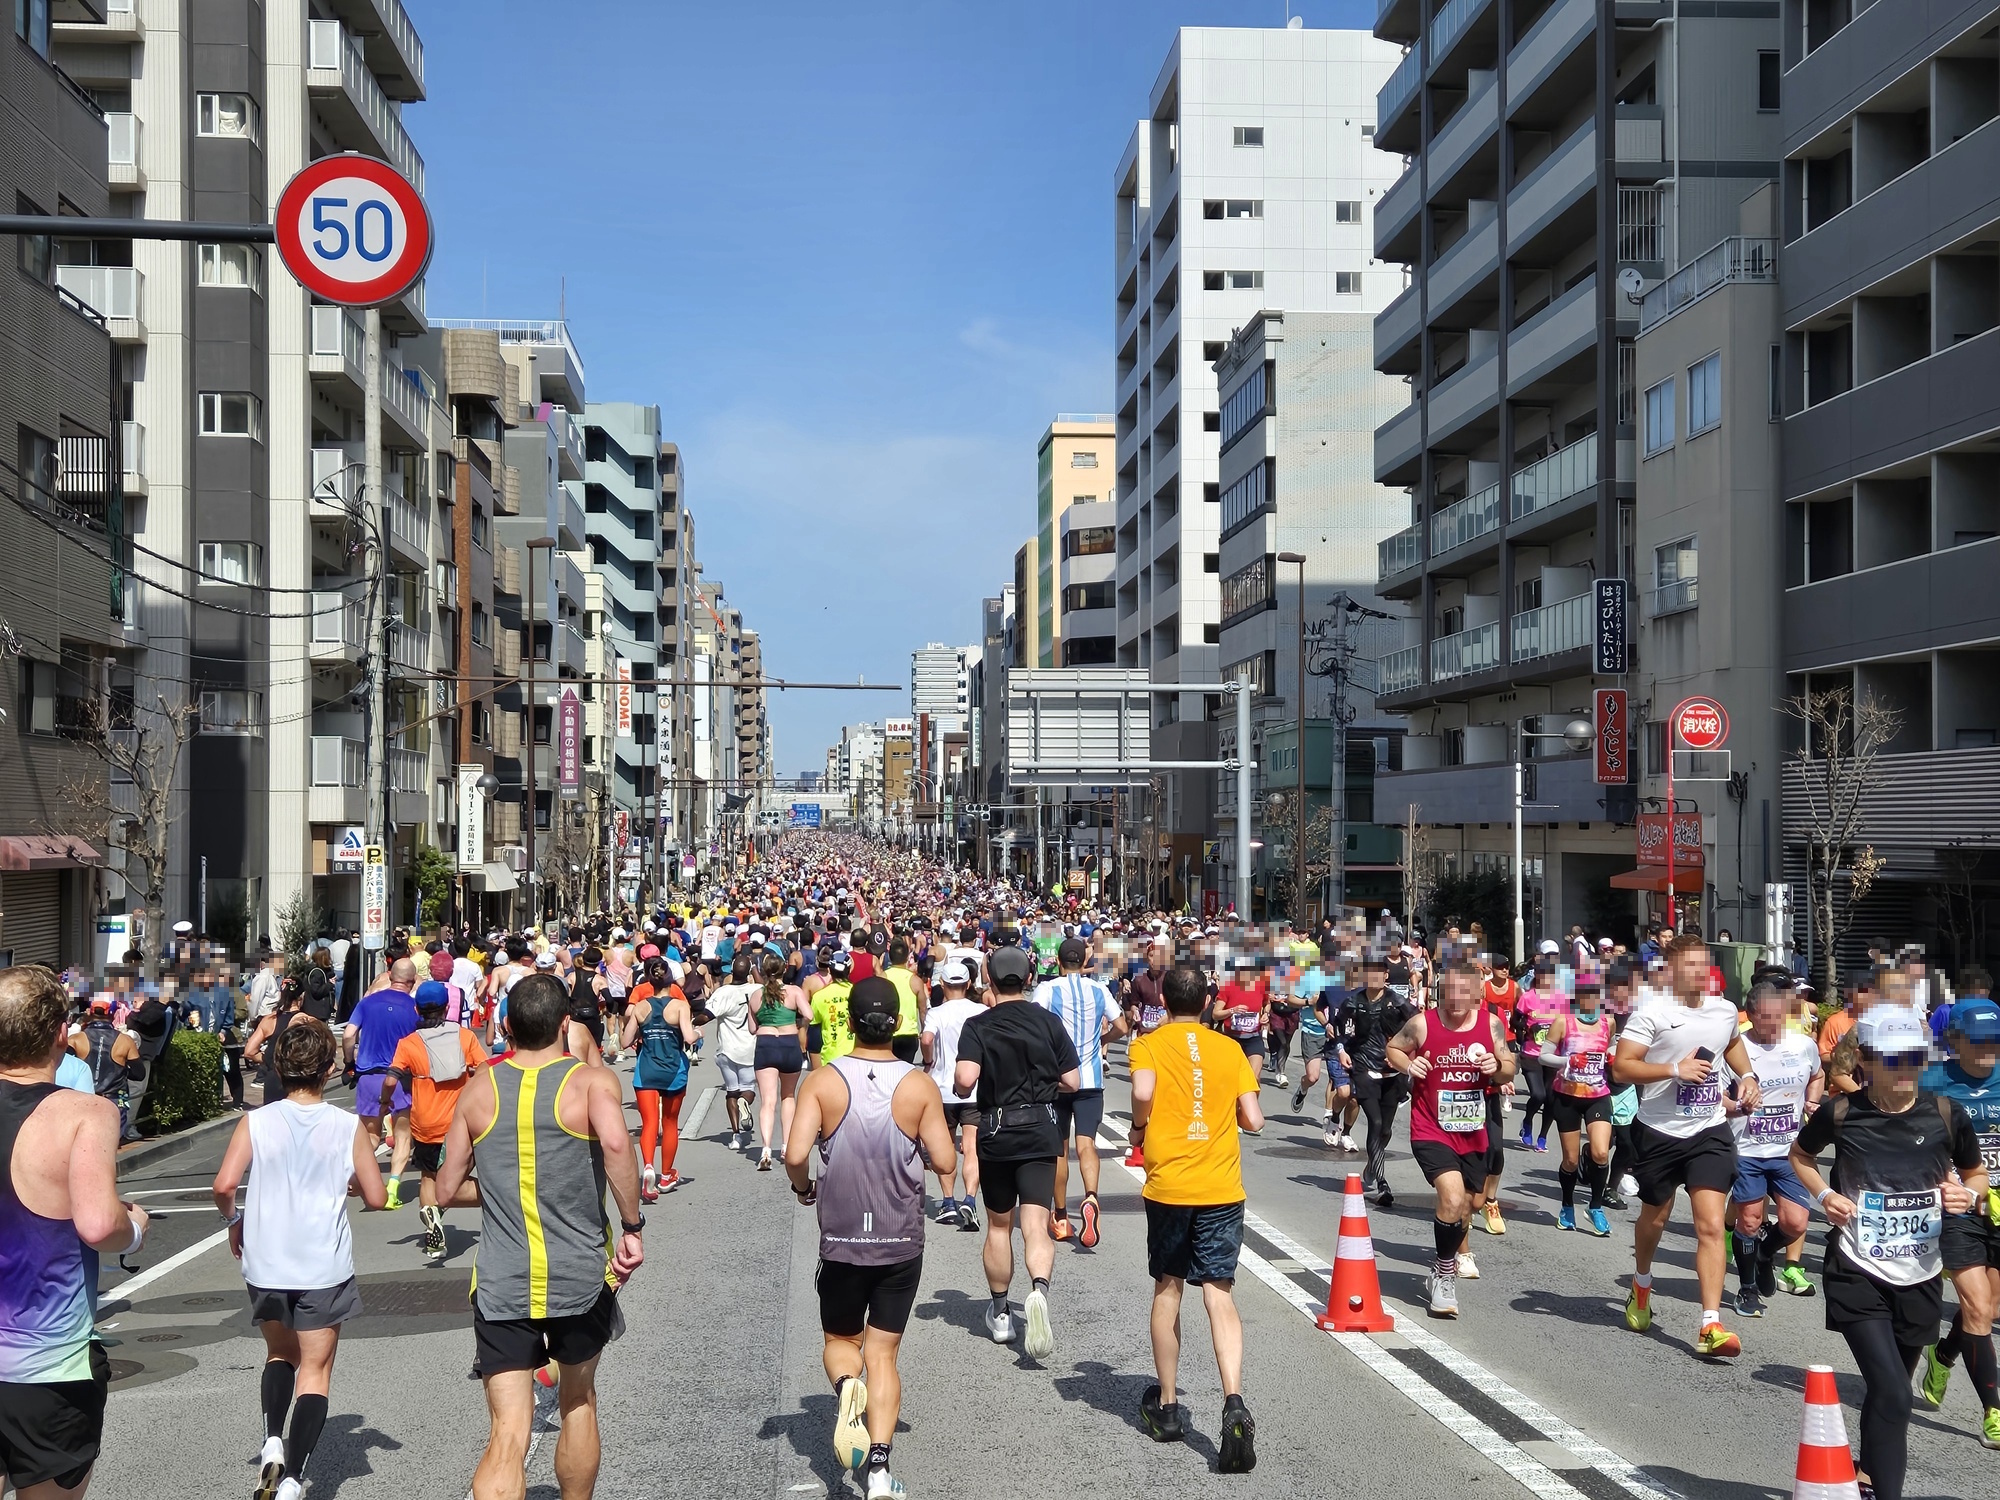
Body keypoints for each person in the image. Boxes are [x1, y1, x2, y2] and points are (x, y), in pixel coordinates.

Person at [436, 973, 646, 1500]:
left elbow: (444, 1188)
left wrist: (504, 1189)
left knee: (507, 1431)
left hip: (502, 1281)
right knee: (577, 1400)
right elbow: (619, 1148)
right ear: (566, 1024)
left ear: (505, 1027)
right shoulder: (592, 1082)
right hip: (578, 1275)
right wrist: (631, 1226)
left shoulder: (479, 1087)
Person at [1791, 1008, 1988, 1500]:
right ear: (1867, 1062)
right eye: (1893, 1060)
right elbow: (1800, 1156)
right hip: (1857, 1268)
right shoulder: (1840, 1113)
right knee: (1897, 1393)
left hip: (1921, 1272)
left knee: (1890, 1394)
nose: (1905, 1071)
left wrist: (1968, 1194)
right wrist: (1823, 1197)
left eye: (1914, 1059)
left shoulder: (1945, 1113)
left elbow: (1976, 1173)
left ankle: (1868, 1479)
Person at [786, 979, 956, 1499]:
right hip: (899, 1238)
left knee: (841, 1342)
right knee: (884, 1353)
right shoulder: (918, 1085)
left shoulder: (823, 1082)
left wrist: (804, 1187)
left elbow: (795, 1155)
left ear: (850, 1022)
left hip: (841, 1238)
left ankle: (846, 1387)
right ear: (898, 1025)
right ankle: (879, 1473)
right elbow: (947, 1161)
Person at [211, 1014, 384, 1500]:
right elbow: (375, 1196)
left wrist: (234, 1221)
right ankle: (292, 1479)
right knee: (316, 1370)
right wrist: (348, 1181)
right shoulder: (345, 1125)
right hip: (322, 1266)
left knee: (279, 1353)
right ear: (328, 1069)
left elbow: (224, 1186)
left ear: (279, 1068)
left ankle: (271, 1442)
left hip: (266, 1261)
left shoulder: (257, 1121)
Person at [0, 967, 150, 1500]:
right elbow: (97, 1223)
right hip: (47, 1365)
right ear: (62, 1034)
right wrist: (133, 1228)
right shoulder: (85, 1112)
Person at [1128, 964, 1265, 1470]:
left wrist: (1140, 1129)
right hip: (1221, 1186)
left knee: (1168, 1287)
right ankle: (1233, 1402)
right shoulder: (1229, 1049)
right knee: (1219, 1293)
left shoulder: (1149, 1043)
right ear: (1207, 1000)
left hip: (1170, 1187)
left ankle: (1167, 1407)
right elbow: (1253, 1120)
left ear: (1163, 1000)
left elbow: (1141, 1093)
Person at [1614, 933, 1762, 1359]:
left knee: (1712, 1226)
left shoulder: (1722, 1010)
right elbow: (1622, 1068)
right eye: (1692, 966)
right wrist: (1672, 1069)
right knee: (1655, 1220)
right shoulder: (1653, 1012)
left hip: (1708, 1130)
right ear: (1672, 970)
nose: (1701, 973)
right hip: (1659, 1131)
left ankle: (1710, 1324)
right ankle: (1641, 1283)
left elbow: (1731, 1043)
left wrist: (1747, 1077)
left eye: (1706, 965)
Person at [954, 944, 1080, 1361]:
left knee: (997, 1226)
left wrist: (966, 1086)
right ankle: (1039, 1289)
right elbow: (1073, 1081)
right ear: (1028, 979)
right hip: (1041, 1130)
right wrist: (1044, 1087)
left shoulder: (978, 1025)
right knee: (1036, 1223)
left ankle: (1001, 1310)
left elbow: (964, 1079)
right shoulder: (1047, 1022)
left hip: (997, 1131)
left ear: (988, 979)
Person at [1386, 958, 1514, 1318]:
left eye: (1464, 991)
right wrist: (1408, 1065)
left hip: (1473, 1130)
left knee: (1470, 1205)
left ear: (1476, 993)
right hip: (1431, 1127)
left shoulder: (1489, 1025)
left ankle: (1441, 1265)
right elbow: (1394, 1048)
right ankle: (1445, 1275)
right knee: (1452, 1196)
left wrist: (1497, 1068)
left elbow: (1509, 1064)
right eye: (1450, 991)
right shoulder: (1421, 1025)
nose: (1456, 998)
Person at [1916, 994, 2000, 1448]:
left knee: (1990, 1309)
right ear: (1955, 1040)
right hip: (1957, 1207)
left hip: (1999, 1206)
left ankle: (1944, 1353)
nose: (1989, 1048)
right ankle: (1994, 1414)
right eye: (1980, 1040)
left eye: (1997, 1040)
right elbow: (1913, 1140)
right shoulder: (1932, 1082)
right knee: (1975, 1307)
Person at [1723, 981, 1824, 1317]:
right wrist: (1736, 1107)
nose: (1774, 1024)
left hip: (1789, 1152)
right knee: (1749, 1221)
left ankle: (1765, 1253)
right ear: (1750, 1016)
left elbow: (1818, 1074)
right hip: (1748, 1150)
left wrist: (1812, 1100)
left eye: (1779, 1017)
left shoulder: (1802, 1045)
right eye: (1766, 1017)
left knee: (1795, 1223)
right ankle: (1747, 1288)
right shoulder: (1735, 1050)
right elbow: (1713, 1097)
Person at [382, 981, 489, 1263]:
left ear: (417, 1009)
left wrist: (384, 1102)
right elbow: (484, 1069)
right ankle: (494, 1197)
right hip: (461, 1123)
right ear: (447, 1007)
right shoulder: (464, 1037)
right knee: (463, 1174)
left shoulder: (408, 1044)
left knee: (428, 1176)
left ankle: (433, 1219)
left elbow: (391, 1079)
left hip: (426, 1123)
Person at [1035, 937, 1127, 1248]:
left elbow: (1034, 1025)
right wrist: (1105, 1037)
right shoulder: (1099, 990)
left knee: (1059, 1149)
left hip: (1058, 1080)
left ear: (1058, 962)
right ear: (1083, 962)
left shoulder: (1049, 989)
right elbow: (1123, 1026)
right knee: (1087, 1144)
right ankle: (1091, 1196)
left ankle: (1061, 1217)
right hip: (1091, 1079)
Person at [1331, 954, 1416, 1207]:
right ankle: (1382, 1183)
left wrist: (1404, 1055)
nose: (1375, 977)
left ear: (1386, 976)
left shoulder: (1398, 1002)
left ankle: (1372, 1165)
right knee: (1375, 1123)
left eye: (1379, 972)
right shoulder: (1353, 1003)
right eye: (1369, 973)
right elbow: (1340, 1032)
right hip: (1364, 1068)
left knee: (1386, 1129)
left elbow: (1418, 1027)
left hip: (1391, 1072)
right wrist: (1342, 1051)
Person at [1543, 971, 1617, 1236]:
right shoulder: (1564, 1021)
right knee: (1571, 1161)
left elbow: (1610, 1048)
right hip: (1567, 1095)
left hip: (1598, 1094)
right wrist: (1568, 1061)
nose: (1592, 999)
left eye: (1596, 994)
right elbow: (1544, 1056)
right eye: (1586, 994)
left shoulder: (1608, 1021)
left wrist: (1611, 1057)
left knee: (1600, 1152)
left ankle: (1595, 1207)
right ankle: (1567, 1205)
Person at [345, 957, 422, 1208]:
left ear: (390, 976)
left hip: (368, 1076)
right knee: (402, 1135)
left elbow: (348, 1034)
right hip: (400, 1078)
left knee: (370, 1135)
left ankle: (361, 1180)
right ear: (411, 982)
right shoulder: (413, 1008)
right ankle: (393, 1187)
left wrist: (349, 1062)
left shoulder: (367, 1003)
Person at [622, 960, 696, 1199]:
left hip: (646, 1070)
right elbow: (689, 1037)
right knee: (670, 1122)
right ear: (670, 979)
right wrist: (698, 1033)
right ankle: (666, 1175)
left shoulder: (641, 1007)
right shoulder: (679, 1006)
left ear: (649, 980)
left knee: (649, 1122)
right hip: (673, 1071)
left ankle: (648, 1166)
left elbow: (624, 1041)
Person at [920, 959, 985, 1229]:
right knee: (971, 1147)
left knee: (944, 1147)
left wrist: (928, 1060)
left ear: (943, 985)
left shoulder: (937, 1012)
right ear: (969, 984)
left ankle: (947, 1202)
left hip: (942, 1089)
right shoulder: (981, 1010)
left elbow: (926, 1039)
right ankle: (969, 1199)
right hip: (974, 1088)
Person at [747, 951, 808, 1171]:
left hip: (765, 1045)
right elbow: (808, 1014)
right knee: (788, 1096)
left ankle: (765, 1148)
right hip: (789, 1043)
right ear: (784, 970)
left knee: (767, 1101)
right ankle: (785, 1146)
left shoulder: (756, 995)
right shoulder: (793, 991)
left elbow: (752, 1028)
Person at [702, 955, 761, 1150]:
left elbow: (706, 1016)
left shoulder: (723, 992)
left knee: (731, 1092)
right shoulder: (756, 990)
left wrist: (688, 1024)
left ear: (732, 971)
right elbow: (766, 988)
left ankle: (735, 1136)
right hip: (750, 1049)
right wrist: (753, 970)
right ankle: (745, 1102)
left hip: (727, 1050)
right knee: (748, 1088)